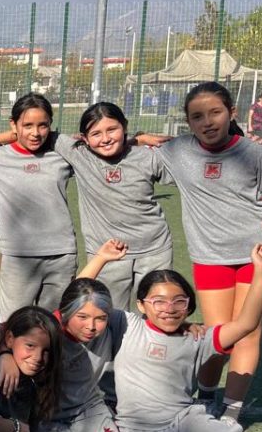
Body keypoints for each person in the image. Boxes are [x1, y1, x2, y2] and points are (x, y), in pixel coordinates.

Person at [156, 82, 262, 424]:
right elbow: (137, 146)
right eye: (197, 116)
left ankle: (231, 414)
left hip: (259, 254)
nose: (207, 122)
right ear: (188, 122)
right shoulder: (177, 151)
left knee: (249, 332)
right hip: (210, 257)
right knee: (217, 335)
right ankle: (205, 395)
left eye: (215, 112)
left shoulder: (255, 152)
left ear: (231, 113)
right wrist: (140, 137)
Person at [113, 246, 262, 432]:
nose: (169, 308)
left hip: (185, 418)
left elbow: (246, 324)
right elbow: (79, 303)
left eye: (179, 301)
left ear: (189, 305)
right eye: (158, 301)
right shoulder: (127, 325)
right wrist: (101, 259)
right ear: (141, 304)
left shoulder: (198, 338)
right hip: (141, 429)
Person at [0, 241, 139, 432]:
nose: (91, 326)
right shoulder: (50, 328)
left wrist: (101, 258)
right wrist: (4, 355)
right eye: (82, 317)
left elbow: (86, 297)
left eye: (100, 319)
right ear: (64, 313)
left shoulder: (113, 322)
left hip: (89, 411)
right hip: (49, 417)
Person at [57, 102, 174, 309]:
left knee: (155, 314)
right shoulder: (79, 154)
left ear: (125, 126)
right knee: (109, 315)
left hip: (155, 249)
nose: (105, 138)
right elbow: (36, 132)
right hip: (106, 253)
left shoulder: (148, 156)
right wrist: (137, 139)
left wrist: (138, 141)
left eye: (112, 129)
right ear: (84, 138)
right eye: (96, 133)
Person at [0, 93, 77, 320]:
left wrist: (137, 140)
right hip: (18, 257)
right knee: (13, 324)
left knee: (55, 323)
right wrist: (6, 136)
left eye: (43, 125)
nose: (35, 133)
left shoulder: (62, 156)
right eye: (27, 125)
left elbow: (100, 148)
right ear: (13, 124)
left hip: (62, 255)